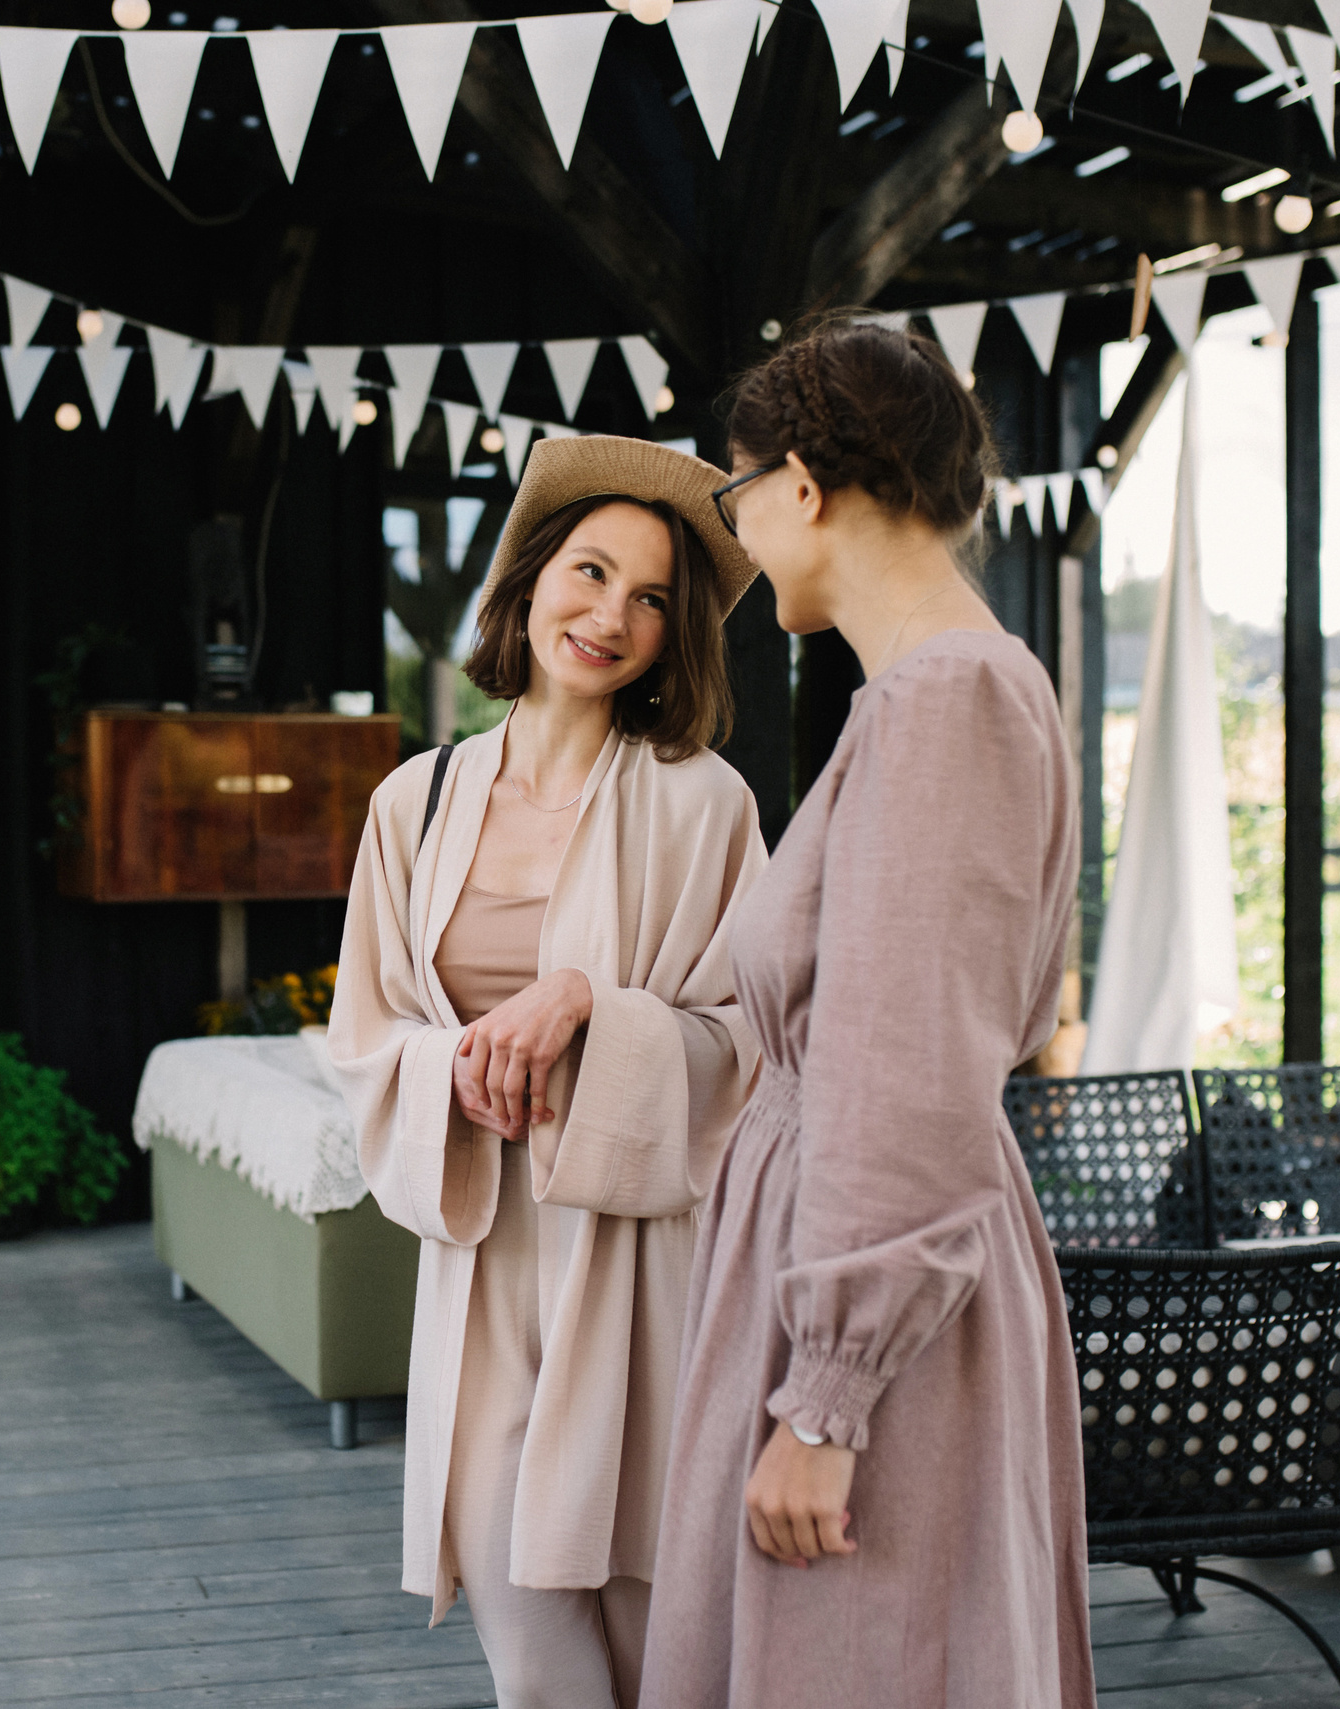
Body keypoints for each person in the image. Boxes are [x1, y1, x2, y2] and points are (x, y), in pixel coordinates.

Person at [640, 318, 1097, 1708]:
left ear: (803, 486)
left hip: (876, 1313)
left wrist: (827, 1399)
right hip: (862, 1269)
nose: (740, 540)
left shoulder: (944, 703)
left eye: (736, 497)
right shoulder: (945, 692)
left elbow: (905, 1072)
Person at [331, 436, 767, 1708]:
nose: (611, 616)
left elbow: (752, 1045)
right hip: (481, 1260)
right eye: (589, 572)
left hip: (642, 1263)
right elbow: (366, 1033)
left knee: (660, 1640)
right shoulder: (411, 802)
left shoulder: (706, 805)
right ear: (525, 584)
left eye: (650, 599)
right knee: (530, 1644)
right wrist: (451, 1067)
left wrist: (588, 1006)